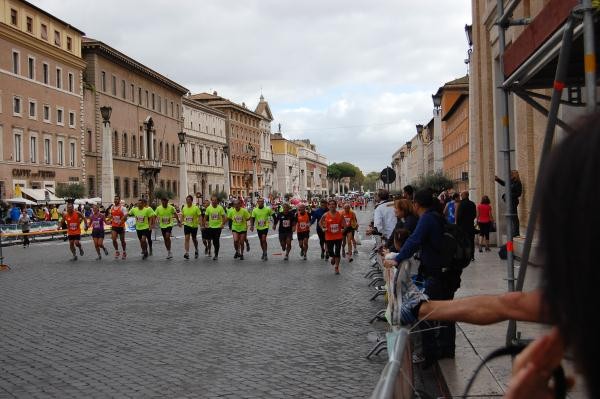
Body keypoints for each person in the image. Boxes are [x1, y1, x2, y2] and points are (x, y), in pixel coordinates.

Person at [383, 189, 456, 367]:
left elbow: (414, 240)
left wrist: (397, 259)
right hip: (446, 271)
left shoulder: (427, 218)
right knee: (445, 311)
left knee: (426, 313)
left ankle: (429, 355)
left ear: (416, 204)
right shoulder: (437, 216)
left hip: (436, 273)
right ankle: (447, 348)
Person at [320, 199, 346, 274]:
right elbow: (320, 223)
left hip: (338, 236)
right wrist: (323, 228)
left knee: (337, 251)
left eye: (333, 204)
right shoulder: (325, 215)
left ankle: (336, 267)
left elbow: (345, 225)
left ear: (335, 205)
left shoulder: (340, 215)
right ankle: (333, 257)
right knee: (330, 252)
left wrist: (343, 230)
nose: (332, 206)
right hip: (329, 236)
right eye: (330, 204)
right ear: (328, 206)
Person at [495, 170, 522, 238]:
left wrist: (509, 195)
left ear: (514, 175)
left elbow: (518, 193)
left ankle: (516, 233)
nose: (509, 176)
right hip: (509, 201)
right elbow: (504, 183)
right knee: (511, 217)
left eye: (511, 174)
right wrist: (498, 179)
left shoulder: (517, 183)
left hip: (513, 201)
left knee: (514, 217)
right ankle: (513, 232)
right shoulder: (511, 182)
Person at [203, 195, 227, 260]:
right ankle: (213, 251)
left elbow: (225, 217)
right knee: (213, 241)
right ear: (211, 201)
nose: (214, 201)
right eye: (213, 200)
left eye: (215, 200)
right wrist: (204, 224)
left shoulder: (220, 208)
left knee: (216, 240)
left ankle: (216, 254)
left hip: (218, 227)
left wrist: (222, 224)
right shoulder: (208, 208)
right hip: (210, 227)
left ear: (217, 201)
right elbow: (205, 217)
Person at [455, 191, 476, 261]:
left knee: (463, 241)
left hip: (462, 226)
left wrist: (457, 225)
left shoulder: (461, 204)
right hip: (470, 225)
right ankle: (472, 255)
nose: (461, 196)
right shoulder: (472, 204)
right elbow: (474, 215)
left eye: (461, 195)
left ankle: (465, 255)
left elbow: (459, 215)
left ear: (465, 196)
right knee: (471, 240)